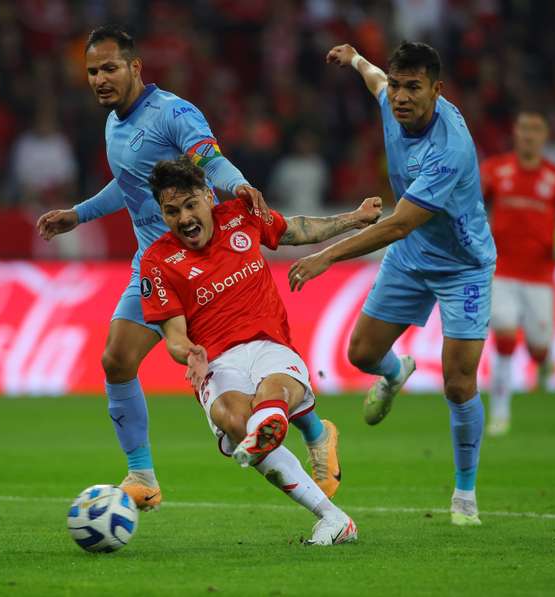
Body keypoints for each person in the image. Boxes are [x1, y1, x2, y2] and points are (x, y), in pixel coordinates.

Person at [37, 25, 349, 510]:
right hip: (156, 262)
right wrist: (78, 214)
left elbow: (210, 158)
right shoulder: (113, 124)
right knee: (116, 360)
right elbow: (128, 185)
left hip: (199, 255)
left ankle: (314, 430)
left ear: (135, 67)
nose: (100, 79)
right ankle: (142, 476)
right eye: (93, 71)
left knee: (243, 356)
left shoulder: (173, 113)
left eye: (110, 68)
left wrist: (239, 185)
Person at [291, 42, 497, 526]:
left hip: (462, 265)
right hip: (412, 257)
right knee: (359, 353)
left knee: (458, 381)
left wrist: (326, 255)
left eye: (414, 87)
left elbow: (396, 224)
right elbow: (377, 81)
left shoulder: (450, 148)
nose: (401, 96)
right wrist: (357, 58)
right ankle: (393, 371)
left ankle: (464, 495)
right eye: (400, 85)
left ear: (437, 90)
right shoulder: (392, 98)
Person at [140, 156, 382, 544]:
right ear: (162, 213)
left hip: (270, 344)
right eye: (171, 211)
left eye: (190, 205)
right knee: (235, 421)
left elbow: (299, 230)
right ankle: (333, 517)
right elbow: (174, 336)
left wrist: (354, 218)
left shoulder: (241, 215)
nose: (184, 218)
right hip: (217, 360)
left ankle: (272, 431)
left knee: (275, 392)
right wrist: (191, 354)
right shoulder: (158, 262)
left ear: (207, 196)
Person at [480, 110, 555, 436]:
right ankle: (499, 414)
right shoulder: (496, 170)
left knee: (538, 347)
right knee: (505, 337)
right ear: (515, 133)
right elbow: (470, 206)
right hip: (503, 272)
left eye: (535, 130)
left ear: (544, 137)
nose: (528, 136)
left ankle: (544, 360)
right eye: (523, 129)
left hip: (540, 278)